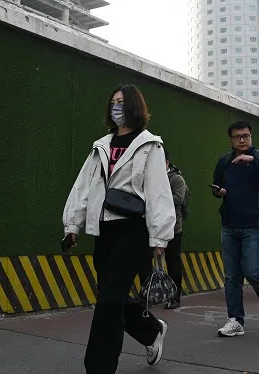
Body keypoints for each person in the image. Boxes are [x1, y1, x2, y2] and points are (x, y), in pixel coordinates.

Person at [62, 85, 175, 373]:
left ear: (134, 106)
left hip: (133, 231)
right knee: (110, 298)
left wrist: (160, 236)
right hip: (103, 230)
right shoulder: (101, 145)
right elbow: (83, 186)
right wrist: (72, 224)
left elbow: (158, 191)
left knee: (109, 301)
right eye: (112, 102)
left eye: (121, 102)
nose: (116, 107)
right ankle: (150, 331)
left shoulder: (150, 145)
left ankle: (98, 368)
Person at [211, 121, 259, 337]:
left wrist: (252, 161)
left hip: (253, 225)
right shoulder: (224, 161)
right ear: (231, 140)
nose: (242, 140)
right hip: (229, 224)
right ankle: (235, 320)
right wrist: (218, 192)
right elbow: (215, 185)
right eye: (237, 137)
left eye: (246, 136)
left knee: (253, 270)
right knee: (231, 275)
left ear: (251, 137)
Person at [163, 150, 187, 309]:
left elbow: (178, 199)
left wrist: (157, 195)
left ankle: (175, 296)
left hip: (173, 226)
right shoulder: (150, 177)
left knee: (173, 261)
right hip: (152, 225)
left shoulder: (176, 178)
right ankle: (149, 295)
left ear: (166, 162)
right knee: (144, 260)